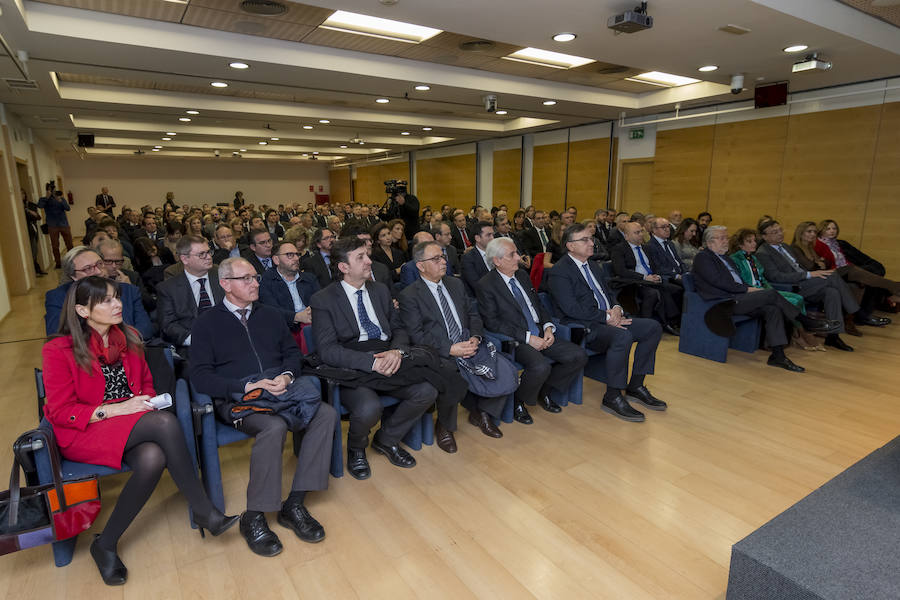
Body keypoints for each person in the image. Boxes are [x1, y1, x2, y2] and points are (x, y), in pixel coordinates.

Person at [42, 277, 238, 585]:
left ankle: (104, 544)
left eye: (116, 297)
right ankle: (203, 509)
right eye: (106, 301)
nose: (117, 304)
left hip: (131, 420)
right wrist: (115, 409)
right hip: (86, 428)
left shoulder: (129, 336)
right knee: (164, 422)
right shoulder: (59, 349)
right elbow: (59, 411)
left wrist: (143, 401)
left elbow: (145, 383)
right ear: (81, 310)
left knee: (152, 458)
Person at [191, 257, 337, 557]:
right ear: (225, 285)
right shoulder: (207, 322)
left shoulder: (269, 315)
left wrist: (285, 376)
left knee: (326, 414)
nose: (255, 283)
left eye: (255, 277)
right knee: (274, 426)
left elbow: (292, 355)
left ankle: (294, 504)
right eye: (246, 279)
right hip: (240, 397)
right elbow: (200, 376)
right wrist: (247, 387)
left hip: (282, 390)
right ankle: (254, 515)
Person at [310, 238, 437, 480]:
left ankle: (386, 439)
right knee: (369, 407)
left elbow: (399, 328)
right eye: (361, 257)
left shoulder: (379, 290)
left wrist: (396, 352)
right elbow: (327, 351)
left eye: (367, 255)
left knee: (427, 391)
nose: (369, 261)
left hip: (388, 355)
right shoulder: (323, 299)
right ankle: (357, 449)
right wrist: (371, 363)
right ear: (343, 267)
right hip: (353, 364)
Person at [546, 223, 665, 422]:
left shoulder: (594, 266)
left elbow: (609, 294)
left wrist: (617, 309)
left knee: (652, 328)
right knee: (622, 336)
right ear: (570, 246)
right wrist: (607, 318)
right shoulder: (559, 271)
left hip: (608, 319)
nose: (591, 243)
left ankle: (635, 385)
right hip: (584, 327)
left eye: (590, 238)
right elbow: (571, 309)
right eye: (584, 240)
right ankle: (613, 396)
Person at [399, 240, 508, 449]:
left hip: (467, 341)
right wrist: (450, 348)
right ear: (420, 265)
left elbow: (473, 315)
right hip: (439, 351)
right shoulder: (410, 295)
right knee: (451, 375)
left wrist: (475, 337)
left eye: (443, 257)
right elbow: (416, 335)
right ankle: (445, 425)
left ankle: (482, 413)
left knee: (502, 365)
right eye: (436, 258)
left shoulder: (455, 284)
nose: (443, 261)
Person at [691, 226, 840, 373]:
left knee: (772, 309)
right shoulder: (703, 257)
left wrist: (748, 288)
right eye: (722, 238)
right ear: (710, 242)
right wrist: (749, 289)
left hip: (740, 297)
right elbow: (719, 282)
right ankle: (806, 322)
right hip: (723, 302)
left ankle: (778, 356)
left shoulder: (726, 259)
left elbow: (739, 281)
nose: (726, 241)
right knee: (770, 294)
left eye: (726, 237)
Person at [477, 237, 587, 423]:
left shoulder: (521, 276)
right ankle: (518, 401)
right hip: (516, 338)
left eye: (516, 252)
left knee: (578, 356)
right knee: (540, 366)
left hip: (540, 331)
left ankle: (545, 390)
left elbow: (537, 305)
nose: (519, 257)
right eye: (512, 254)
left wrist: (548, 327)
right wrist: (528, 338)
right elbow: (492, 323)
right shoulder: (486, 285)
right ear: (497, 260)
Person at [755, 219, 869, 351]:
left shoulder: (785, 247)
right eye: (775, 232)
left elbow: (799, 267)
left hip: (806, 283)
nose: (780, 234)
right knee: (832, 275)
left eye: (780, 230)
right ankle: (858, 313)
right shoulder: (763, 253)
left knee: (832, 292)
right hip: (793, 287)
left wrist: (812, 271)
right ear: (764, 236)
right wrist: (809, 275)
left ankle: (833, 337)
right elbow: (776, 277)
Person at [729, 228, 823, 351]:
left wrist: (772, 291)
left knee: (798, 298)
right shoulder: (735, 259)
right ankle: (803, 334)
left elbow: (763, 279)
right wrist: (763, 291)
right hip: (752, 293)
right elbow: (740, 282)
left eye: (754, 241)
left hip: (765, 290)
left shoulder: (754, 258)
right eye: (749, 241)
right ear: (740, 244)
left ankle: (799, 332)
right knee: (793, 302)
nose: (754, 244)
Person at [45, 247, 153, 338]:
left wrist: (118, 345)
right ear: (73, 276)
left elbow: (145, 330)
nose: (98, 271)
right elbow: (57, 335)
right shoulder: (58, 297)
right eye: (88, 269)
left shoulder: (128, 290)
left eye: (100, 264)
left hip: (128, 352)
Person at [155, 235, 223, 357]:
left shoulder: (221, 275)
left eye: (209, 252)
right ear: (185, 259)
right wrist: (196, 339)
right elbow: (168, 325)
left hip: (227, 337)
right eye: (202, 254)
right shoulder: (168, 288)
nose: (208, 257)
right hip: (192, 346)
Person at [610, 222, 682, 335]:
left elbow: (654, 267)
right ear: (626, 236)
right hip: (632, 282)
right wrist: (644, 277)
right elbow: (621, 271)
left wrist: (656, 275)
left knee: (675, 289)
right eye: (636, 232)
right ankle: (648, 325)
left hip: (651, 280)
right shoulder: (619, 249)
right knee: (652, 293)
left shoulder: (646, 248)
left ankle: (672, 322)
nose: (640, 235)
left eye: (641, 231)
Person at [816, 219, 900, 314]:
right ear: (821, 230)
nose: (832, 231)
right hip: (834, 273)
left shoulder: (837, 244)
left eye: (834, 228)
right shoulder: (818, 244)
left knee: (864, 278)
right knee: (855, 271)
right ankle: (895, 289)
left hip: (846, 270)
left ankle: (861, 316)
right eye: (828, 229)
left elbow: (846, 260)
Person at [257, 242, 319, 351]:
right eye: (290, 255)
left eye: (297, 254)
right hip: (284, 329)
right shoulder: (267, 281)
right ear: (276, 260)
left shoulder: (309, 278)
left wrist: (313, 310)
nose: (296, 258)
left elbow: (321, 302)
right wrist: (296, 317)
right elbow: (270, 310)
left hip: (313, 324)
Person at [39, 187, 74, 269]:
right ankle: (58, 263)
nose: (53, 192)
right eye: (51, 191)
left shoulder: (61, 198)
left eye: (54, 191)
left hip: (64, 224)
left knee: (69, 243)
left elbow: (68, 208)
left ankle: (72, 261)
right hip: (52, 225)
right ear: (48, 191)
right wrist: (46, 198)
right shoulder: (44, 199)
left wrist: (61, 201)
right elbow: (40, 206)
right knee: (55, 246)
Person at [460, 221, 496, 296]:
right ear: (477, 238)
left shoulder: (498, 253)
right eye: (488, 235)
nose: (493, 238)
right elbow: (477, 285)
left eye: (493, 235)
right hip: (483, 299)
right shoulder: (468, 259)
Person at [23, 190, 47, 276]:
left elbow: (38, 217)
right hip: (23, 232)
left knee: (34, 251)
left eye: (23, 193)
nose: (21, 195)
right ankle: (36, 270)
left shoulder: (30, 205)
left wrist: (28, 210)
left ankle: (37, 270)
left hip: (32, 230)